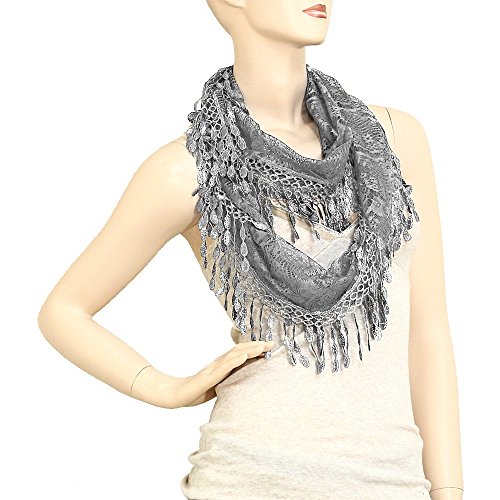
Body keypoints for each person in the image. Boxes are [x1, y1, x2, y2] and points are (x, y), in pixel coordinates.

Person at [38, 1, 464, 498]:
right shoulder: (190, 169)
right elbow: (64, 311)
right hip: (251, 476)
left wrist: (449, 490)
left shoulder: (394, 139)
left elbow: (427, 331)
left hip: (391, 479)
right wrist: (166, 387)